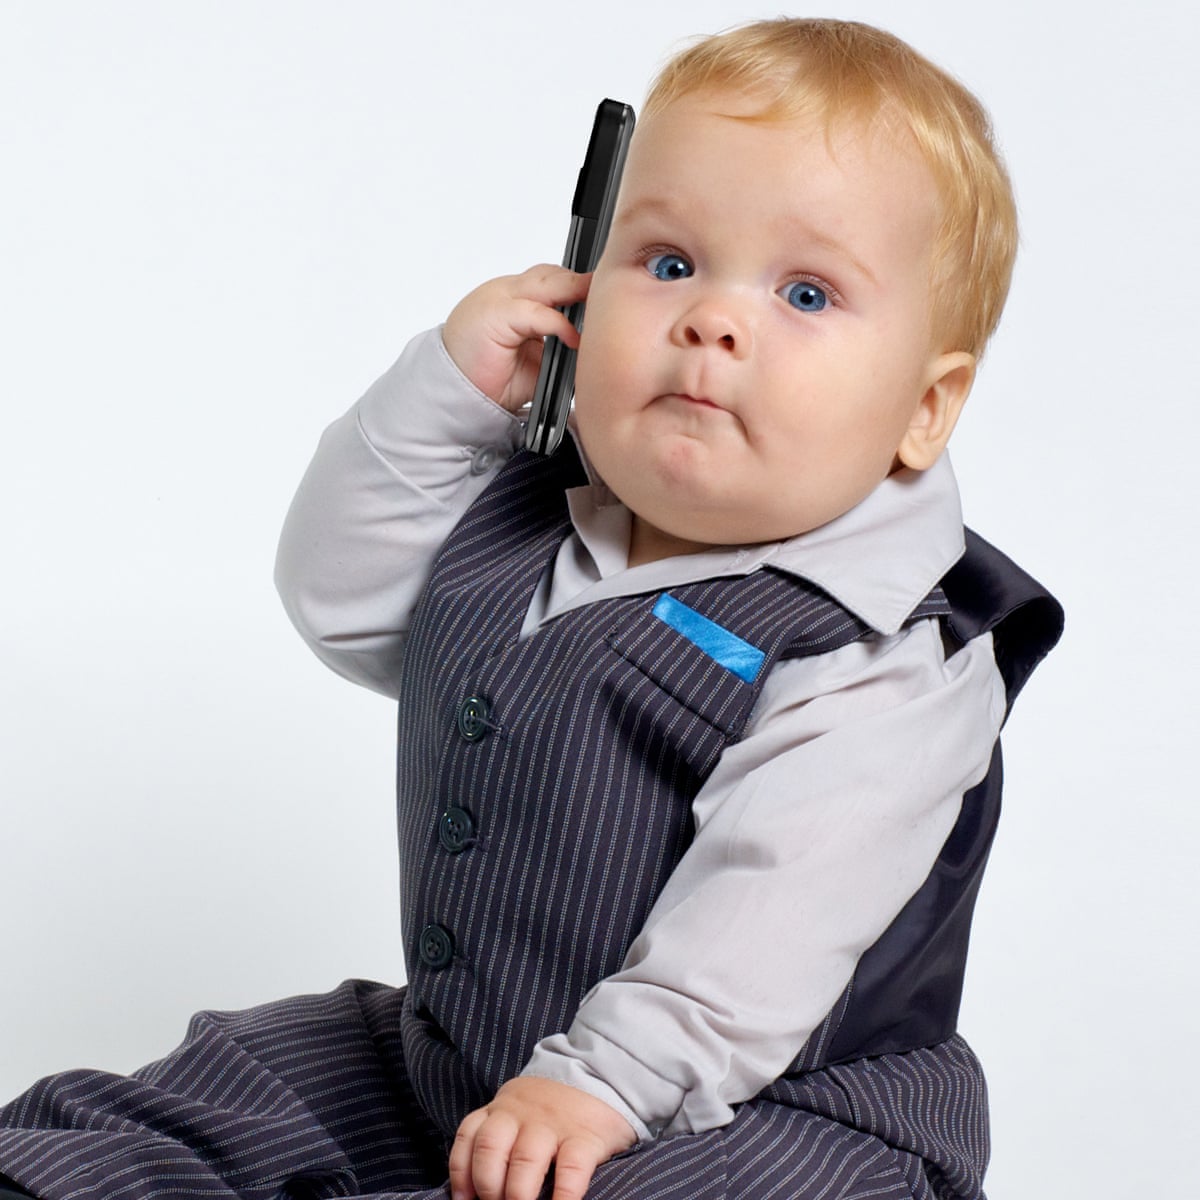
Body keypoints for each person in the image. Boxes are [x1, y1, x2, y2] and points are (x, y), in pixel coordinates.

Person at [0, 17, 1062, 1200]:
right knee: (235, 1078)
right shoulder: (530, 519)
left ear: (928, 407)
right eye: (665, 262)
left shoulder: (884, 654)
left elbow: (767, 922)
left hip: (774, 1120)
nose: (712, 319)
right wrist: (447, 396)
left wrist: (600, 1082)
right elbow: (340, 600)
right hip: (472, 1063)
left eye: (805, 292)